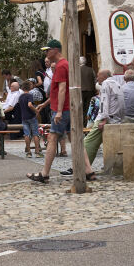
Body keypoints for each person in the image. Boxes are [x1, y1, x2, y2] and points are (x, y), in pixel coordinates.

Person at [28, 43, 94, 184]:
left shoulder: (60, 65)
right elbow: (58, 91)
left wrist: (58, 111)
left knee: (52, 138)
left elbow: (63, 89)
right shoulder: (64, 64)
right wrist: (45, 104)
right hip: (67, 108)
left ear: (55, 50)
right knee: (75, 139)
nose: (45, 53)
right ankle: (89, 170)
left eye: (47, 50)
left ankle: (44, 173)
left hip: (62, 109)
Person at [83, 69, 123, 165]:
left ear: (104, 76)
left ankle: (83, 167)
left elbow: (104, 102)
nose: (97, 78)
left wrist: (104, 119)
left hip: (104, 119)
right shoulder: (117, 84)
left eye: (98, 76)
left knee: (87, 143)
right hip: (115, 119)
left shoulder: (106, 83)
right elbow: (121, 104)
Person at [18, 79, 43, 157]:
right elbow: (29, 105)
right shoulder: (29, 95)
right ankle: (37, 152)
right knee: (35, 133)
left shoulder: (21, 96)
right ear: (29, 87)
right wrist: (36, 111)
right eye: (31, 85)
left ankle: (28, 152)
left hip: (24, 117)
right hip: (31, 117)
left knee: (27, 134)